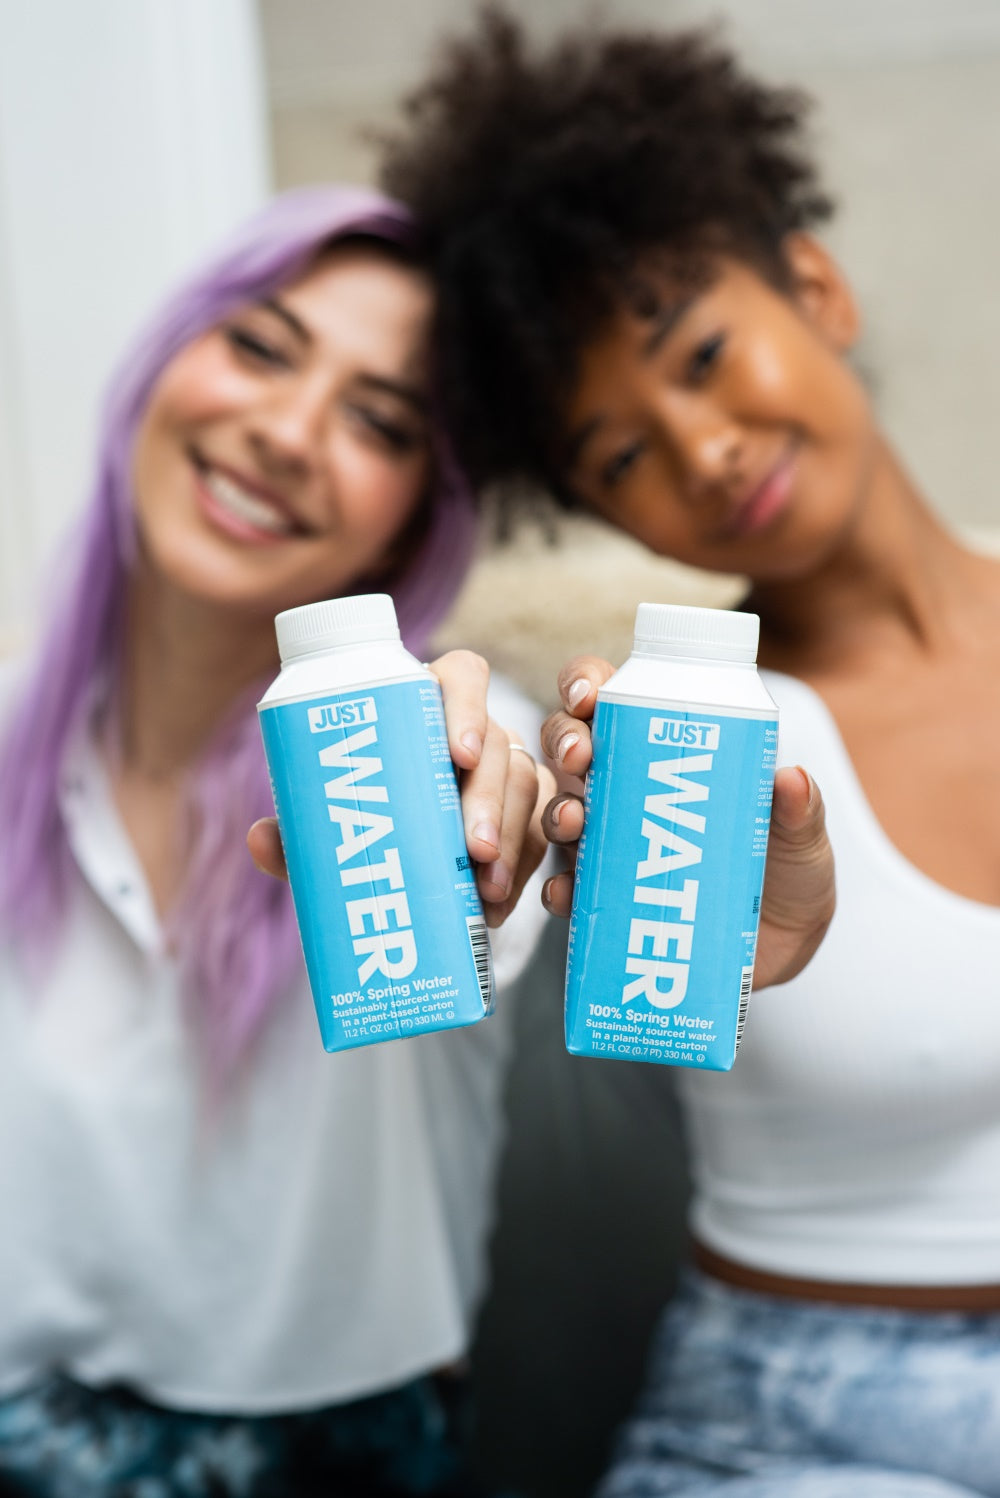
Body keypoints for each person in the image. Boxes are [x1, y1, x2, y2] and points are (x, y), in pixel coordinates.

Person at [380, 12, 1000, 1495]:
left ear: (818, 285)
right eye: (619, 455)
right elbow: (479, 895)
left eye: (706, 355)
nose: (702, 447)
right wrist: (458, 833)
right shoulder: (656, 743)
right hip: (802, 1420)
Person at [0, 184, 554, 1497]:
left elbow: (498, 873)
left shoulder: (427, 744)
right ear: (165, 362)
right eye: (260, 345)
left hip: (338, 1459)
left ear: (419, 509)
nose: (287, 431)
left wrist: (482, 841)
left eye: (379, 419)